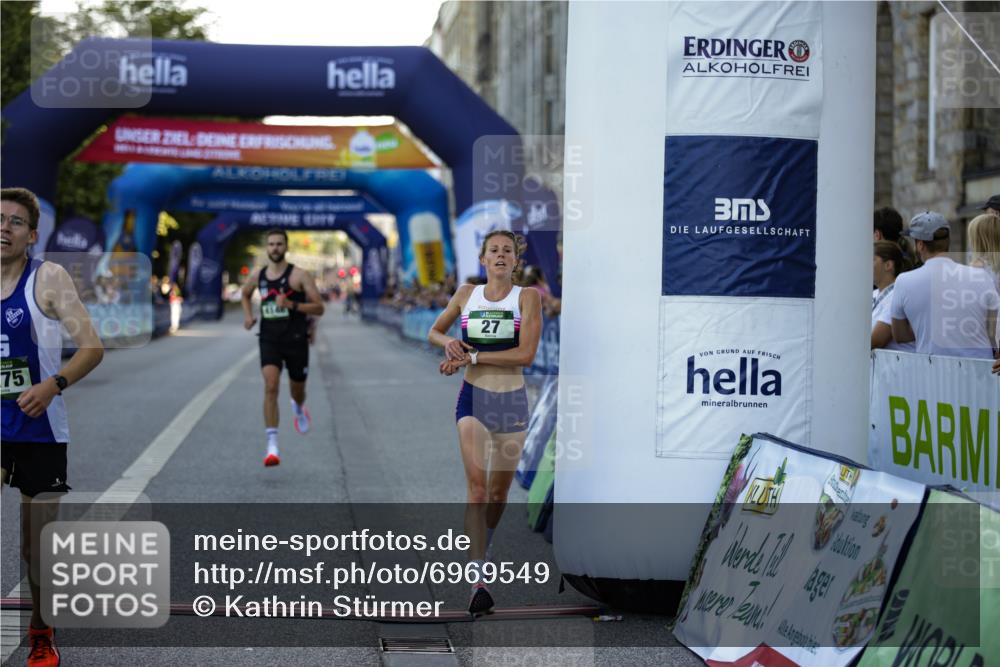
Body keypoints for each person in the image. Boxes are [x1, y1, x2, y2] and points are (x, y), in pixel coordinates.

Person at [1, 188, 104, 667]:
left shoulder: (49, 278)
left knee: (36, 548)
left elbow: (91, 347)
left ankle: (41, 629)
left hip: (39, 428)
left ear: (32, 235)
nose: (4, 227)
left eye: (15, 222)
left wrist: (53, 385)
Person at [428, 230, 542, 615]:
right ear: (482, 258)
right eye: (493, 250)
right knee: (477, 490)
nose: (500, 255)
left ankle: (484, 543)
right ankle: (477, 577)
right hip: (473, 399)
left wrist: (474, 357)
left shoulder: (528, 298)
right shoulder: (465, 294)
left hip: (511, 403)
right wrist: (449, 344)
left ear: (515, 261)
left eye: (507, 251)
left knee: (498, 494)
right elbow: (435, 330)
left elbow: (525, 354)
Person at [241, 229, 325, 467]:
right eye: (271, 244)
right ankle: (272, 446)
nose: (275, 248)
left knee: (297, 390)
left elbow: (319, 308)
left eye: (279, 244)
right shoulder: (258, 276)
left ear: (286, 247)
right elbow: (245, 295)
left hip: (296, 339)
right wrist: (248, 316)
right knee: (271, 385)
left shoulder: (300, 276)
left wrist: (291, 304)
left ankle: (298, 407)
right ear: (267, 248)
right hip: (269, 338)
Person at [890, 211, 999, 359]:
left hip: (934, 374)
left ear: (920, 245)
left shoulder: (903, 281)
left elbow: (900, 335)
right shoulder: (981, 275)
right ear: (947, 242)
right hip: (980, 373)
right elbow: (993, 327)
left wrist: (927, 329)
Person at [870, 241, 914, 351]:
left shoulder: (897, 294)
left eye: (872, 259)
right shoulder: (873, 294)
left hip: (895, 367)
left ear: (888, 265)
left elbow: (877, 340)